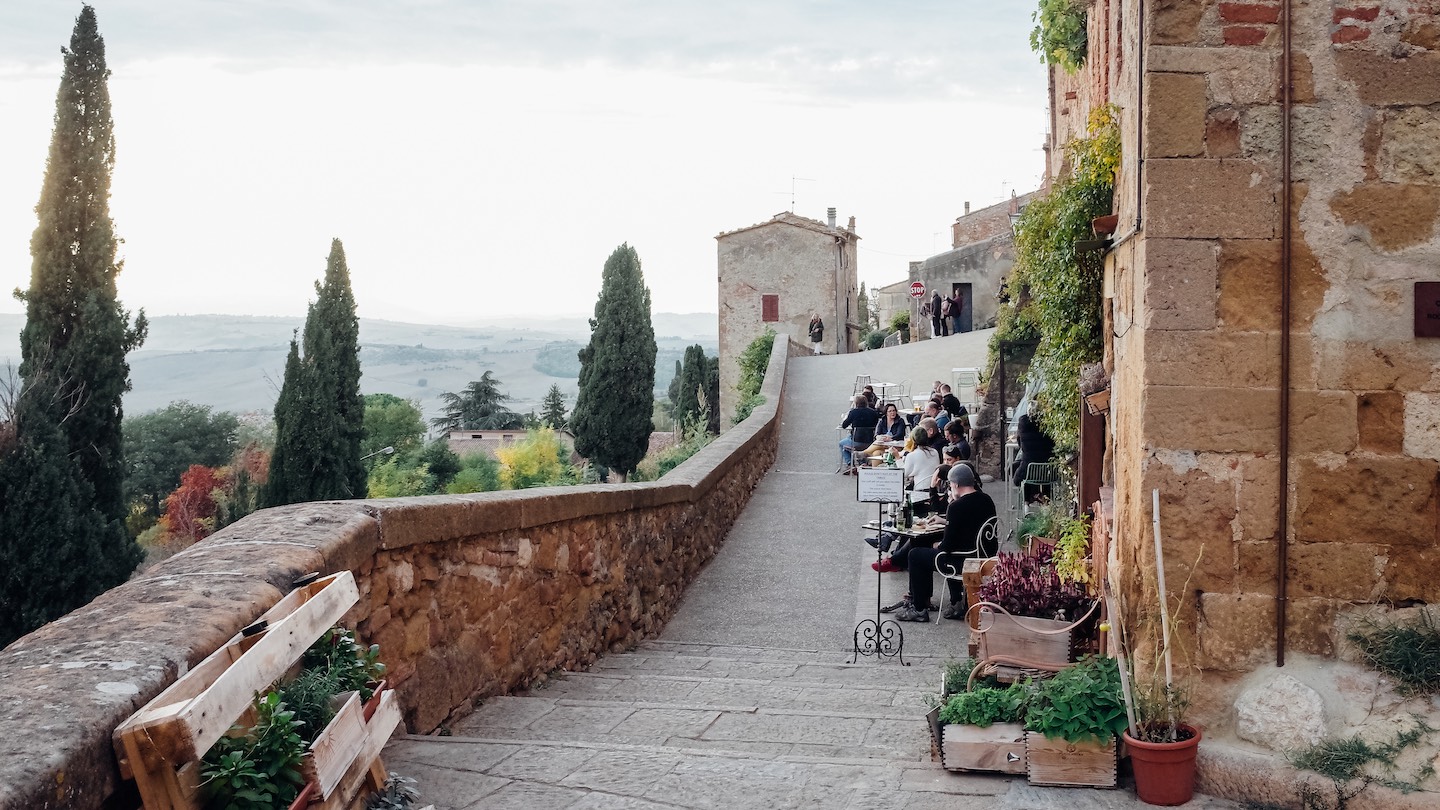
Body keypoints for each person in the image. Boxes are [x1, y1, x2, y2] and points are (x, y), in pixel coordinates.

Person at [892, 464, 997, 622]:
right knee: (927, 550)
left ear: (955, 484)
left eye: (950, 484)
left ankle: (919, 608)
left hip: (962, 560)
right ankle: (956, 602)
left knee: (916, 554)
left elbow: (948, 546)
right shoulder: (986, 500)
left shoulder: (956, 506)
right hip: (984, 555)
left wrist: (937, 545)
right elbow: (970, 526)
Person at [1012, 412, 1057, 500]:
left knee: (1017, 471)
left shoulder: (1023, 424)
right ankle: (1045, 499)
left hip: (1028, 467)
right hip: (1049, 470)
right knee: (1042, 474)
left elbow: (1020, 445)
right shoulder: (1049, 421)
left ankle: (1027, 502)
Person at [838, 394, 881, 473]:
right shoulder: (873, 412)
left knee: (841, 443)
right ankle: (862, 462)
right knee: (849, 438)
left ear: (856, 403)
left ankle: (850, 464)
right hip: (870, 441)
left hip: (857, 441)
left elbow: (844, 425)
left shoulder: (854, 412)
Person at [902, 427, 941, 491]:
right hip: (935, 488)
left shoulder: (912, 455)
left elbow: (903, 474)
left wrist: (897, 458)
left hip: (920, 489)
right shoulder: (935, 452)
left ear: (913, 440)